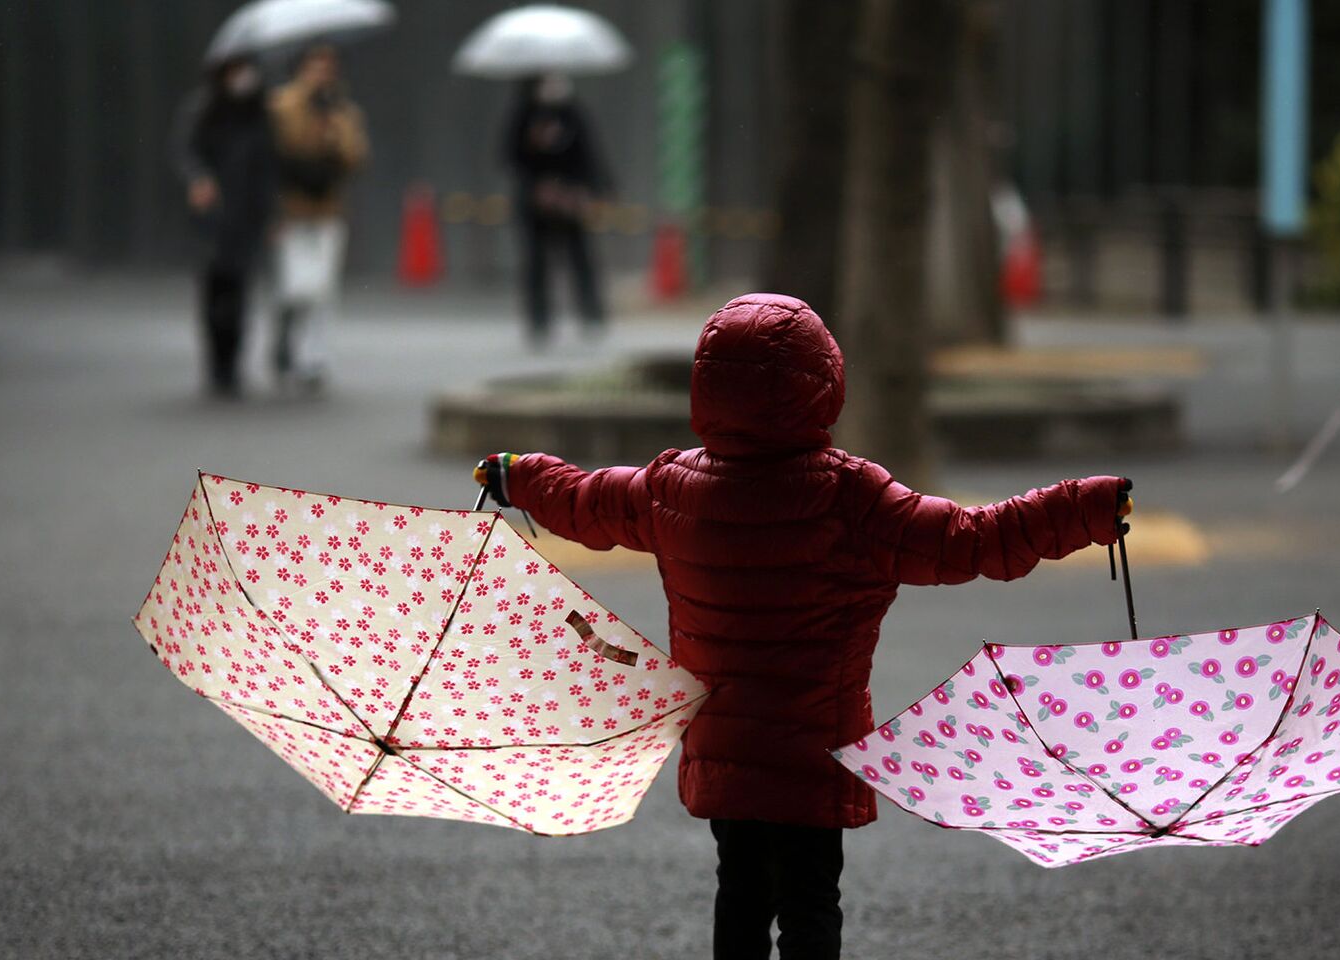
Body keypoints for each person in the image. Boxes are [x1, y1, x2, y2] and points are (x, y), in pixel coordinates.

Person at [474, 294, 1132, 958]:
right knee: (811, 902)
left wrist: (515, 475)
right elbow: (970, 539)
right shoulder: (851, 496)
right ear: (823, 383)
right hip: (815, 747)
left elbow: (583, 499)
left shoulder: (669, 488)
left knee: (740, 892)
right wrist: (1087, 509)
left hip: (723, 748)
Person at [171, 54, 274, 398]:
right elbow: (185, 153)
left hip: (246, 216)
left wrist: (271, 214)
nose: (242, 77)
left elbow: (268, 168)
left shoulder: (260, 113)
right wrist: (198, 180)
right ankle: (216, 362)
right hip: (212, 217)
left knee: (240, 291)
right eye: (235, 70)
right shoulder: (203, 110)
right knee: (215, 290)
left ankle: (232, 364)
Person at [269, 43, 368, 393]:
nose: (322, 74)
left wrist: (333, 127)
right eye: (315, 66)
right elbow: (279, 150)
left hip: (328, 207)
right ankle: (287, 334)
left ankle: (314, 360)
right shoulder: (282, 104)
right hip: (291, 208)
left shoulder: (341, 108)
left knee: (324, 288)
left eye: (328, 68)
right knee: (298, 287)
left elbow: (355, 156)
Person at [504, 73, 611, 349]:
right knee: (537, 262)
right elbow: (509, 156)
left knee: (580, 258)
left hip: (569, 198)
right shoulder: (524, 114)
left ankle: (592, 313)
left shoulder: (572, 114)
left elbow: (589, 155)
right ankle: (539, 319)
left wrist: (587, 188)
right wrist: (534, 149)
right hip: (536, 200)